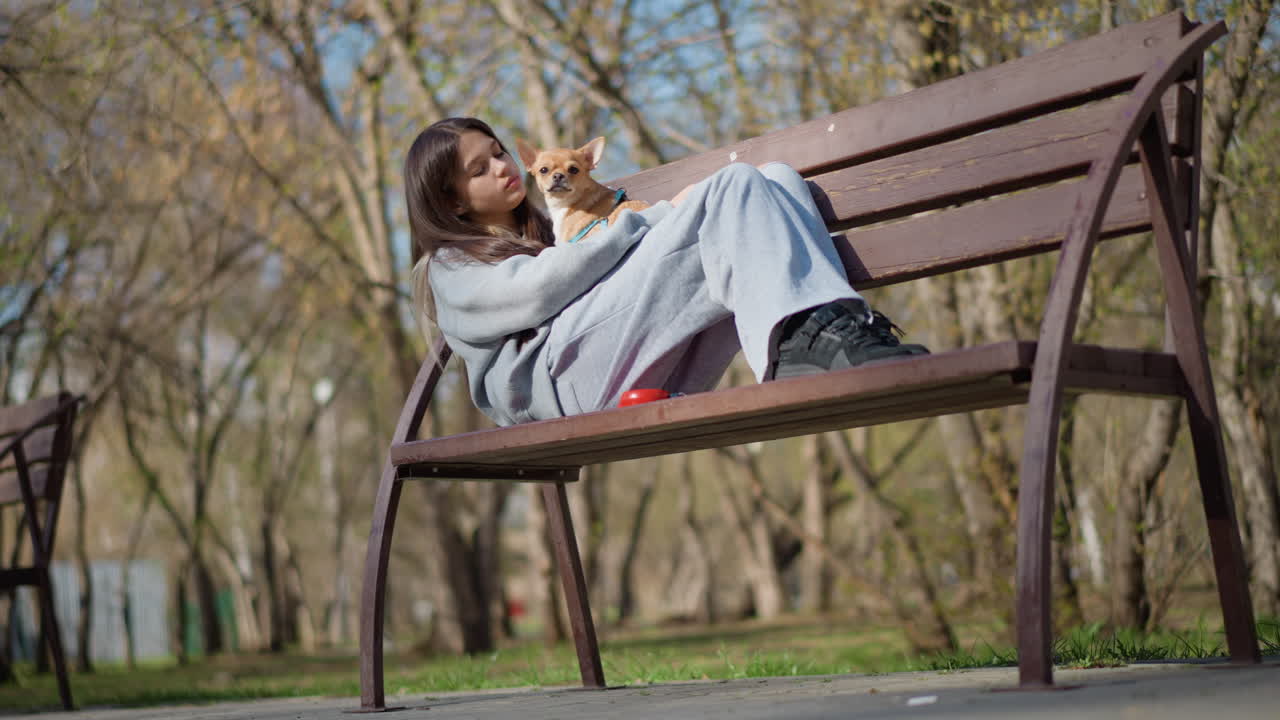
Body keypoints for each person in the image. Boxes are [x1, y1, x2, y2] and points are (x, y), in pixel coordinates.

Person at [405, 117, 928, 427]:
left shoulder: (547, 230)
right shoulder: (449, 267)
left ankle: (826, 332)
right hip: (567, 392)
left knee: (776, 178)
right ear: (451, 204)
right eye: (480, 169)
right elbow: (542, 289)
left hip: (630, 361)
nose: (503, 167)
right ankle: (803, 345)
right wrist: (662, 215)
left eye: (498, 153)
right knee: (735, 185)